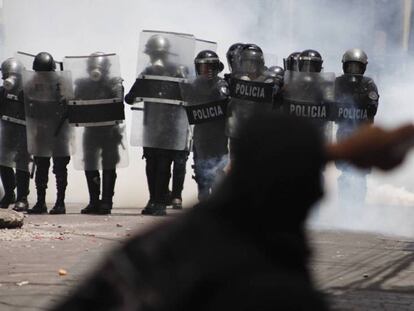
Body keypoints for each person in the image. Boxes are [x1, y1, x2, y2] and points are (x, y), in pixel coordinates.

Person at [50, 113, 414, 311]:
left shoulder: (169, 240)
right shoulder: (274, 289)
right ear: (301, 195)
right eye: (312, 184)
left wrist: (329, 153)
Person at [125, 32, 193, 216]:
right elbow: (130, 98)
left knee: (162, 163)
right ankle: (153, 199)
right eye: (154, 54)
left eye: (157, 54)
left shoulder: (178, 71)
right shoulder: (148, 72)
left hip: (169, 126)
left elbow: (189, 97)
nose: (155, 58)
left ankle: (159, 202)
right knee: (153, 164)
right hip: (153, 125)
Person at [65, 52, 126, 215]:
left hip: (109, 132)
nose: (95, 69)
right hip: (91, 131)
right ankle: (94, 200)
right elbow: (74, 103)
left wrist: (115, 87)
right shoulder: (83, 84)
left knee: (108, 165)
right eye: (92, 65)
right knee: (90, 165)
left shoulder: (113, 83)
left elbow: (119, 103)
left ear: (106, 67)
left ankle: (106, 201)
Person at [23, 52, 72, 215]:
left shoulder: (62, 82)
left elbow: (69, 102)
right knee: (41, 167)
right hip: (41, 130)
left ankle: (60, 202)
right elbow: (25, 102)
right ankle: (40, 202)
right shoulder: (31, 83)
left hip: (59, 130)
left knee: (59, 168)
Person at [334, 48, 379, 207]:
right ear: (344, 66)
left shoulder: (368, 84)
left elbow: (373, 105)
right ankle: (344, 202)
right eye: (351, 66)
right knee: (344, 168)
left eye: (357, 67)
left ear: (363, 67)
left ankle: (358, 203)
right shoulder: (338, 82)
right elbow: (326, 101)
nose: (354, 70)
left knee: (361, 171)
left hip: (363, 132)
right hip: (344, 131)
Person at [185, 50, 229, 201]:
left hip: (218, 132)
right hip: (200, 132)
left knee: (218, 167)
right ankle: (203, 198)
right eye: (203, 67)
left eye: (210, 67)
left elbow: (224, 100)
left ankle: (218, 200)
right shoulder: (193, 86)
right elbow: (187, 102)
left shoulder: (221, 84)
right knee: (199, 165)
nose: (207, 70)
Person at [0, 58, 31, 211]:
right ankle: (9, 192)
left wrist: (27, 99)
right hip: (8, 131)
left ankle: (22, 198)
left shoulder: (29, 91)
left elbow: (38, 112)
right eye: (6, 75)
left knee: (22, 163)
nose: (8, 78)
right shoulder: (2, 91)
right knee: (2, 162)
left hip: (24, 132)